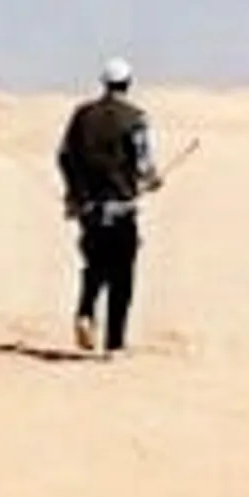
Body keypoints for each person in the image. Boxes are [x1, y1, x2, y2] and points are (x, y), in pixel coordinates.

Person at [56, 56, 164, 356]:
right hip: (121, 209)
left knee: (94, 266)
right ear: (128, 84)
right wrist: (152, 180)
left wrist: (73, 192)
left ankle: (85, 312)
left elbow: (64, 156)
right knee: (122, 275)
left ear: (104, 83)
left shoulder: (81, 115)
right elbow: (144, 163)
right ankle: (115, 343)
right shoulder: (136, 118)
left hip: (88, 209)